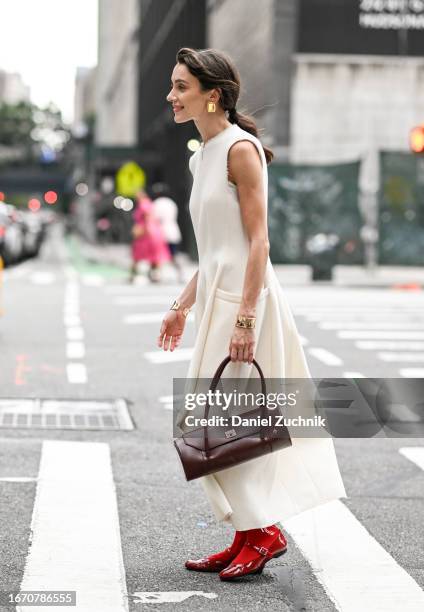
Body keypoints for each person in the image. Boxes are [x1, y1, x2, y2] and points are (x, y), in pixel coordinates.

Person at [157, 47, 347, 581]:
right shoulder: (203, 155)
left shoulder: (242, 150)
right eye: (172, 86)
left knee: (233, 420)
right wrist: (180, 307)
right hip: (219, 296)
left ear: (211, 93)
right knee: (216, 421)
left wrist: (245, 318)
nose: (171, 96)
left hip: (248, 300)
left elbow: (257, 243)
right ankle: (247, 532)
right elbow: (214, 251)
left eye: (181, 87)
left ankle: (262, 533)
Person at [130, 189, 171, 283]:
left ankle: (136, 275)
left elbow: (147, 218)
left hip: (147, 234)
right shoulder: (148, 203)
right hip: (151, 232)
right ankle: (154, 275)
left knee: (141, 255)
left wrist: (145, 230)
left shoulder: (144, 204)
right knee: (153, 256)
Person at [151, 183, 185, 283]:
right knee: (173, 255)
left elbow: (155, 219)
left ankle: (156, 275)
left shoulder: (157, 203)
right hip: (173, 232)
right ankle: (180, 274)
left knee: (157, 256)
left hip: (161, 233)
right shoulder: (171, 203)